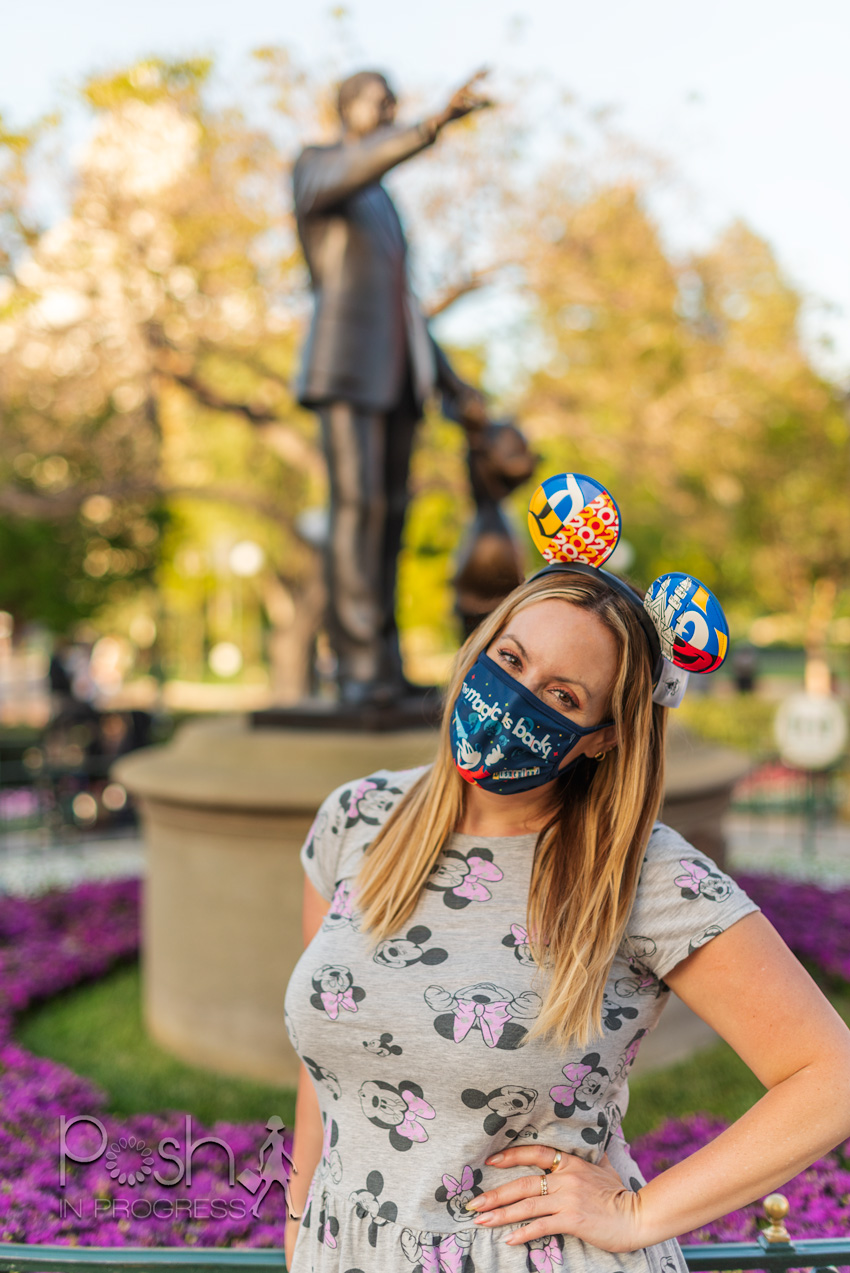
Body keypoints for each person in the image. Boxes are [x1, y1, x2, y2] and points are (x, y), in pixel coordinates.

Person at [282, 474, 850, 1272]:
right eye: (509, 658)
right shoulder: (357, 819)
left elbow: (833, 1075)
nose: (512, 699)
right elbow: (322, 1069)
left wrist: (638, 1212)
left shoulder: (640, 873)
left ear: (600, 737)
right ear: (480, 643)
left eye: (561, 693)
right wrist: (300, 1221)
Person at [292, 69, 491, 706]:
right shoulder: (319, 166)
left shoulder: (384, 204)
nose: (390, 110)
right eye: (380, 101)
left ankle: (383, 662)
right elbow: (349, 171)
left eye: (396, 106)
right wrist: (430, 127)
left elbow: (405, 305)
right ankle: (355, 668)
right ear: (346, 104)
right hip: (346, 367)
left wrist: (453, 383)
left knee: (391, 519)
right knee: (357, 511)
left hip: (399, 376)